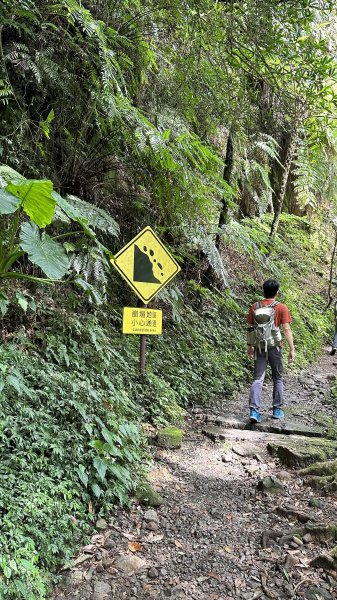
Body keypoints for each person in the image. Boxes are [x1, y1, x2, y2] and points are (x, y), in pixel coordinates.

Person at [246, 279, 295, 423]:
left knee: (258, 378)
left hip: (259, 346)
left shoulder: (255, 306)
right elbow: (286, 329)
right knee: (278, 378)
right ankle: (277, 410)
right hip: (275, 346)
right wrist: (292, 349)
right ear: (277, 292)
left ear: (263, 291)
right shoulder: (281, 307)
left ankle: (254, 412)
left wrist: (250, 346)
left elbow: (249, 328)